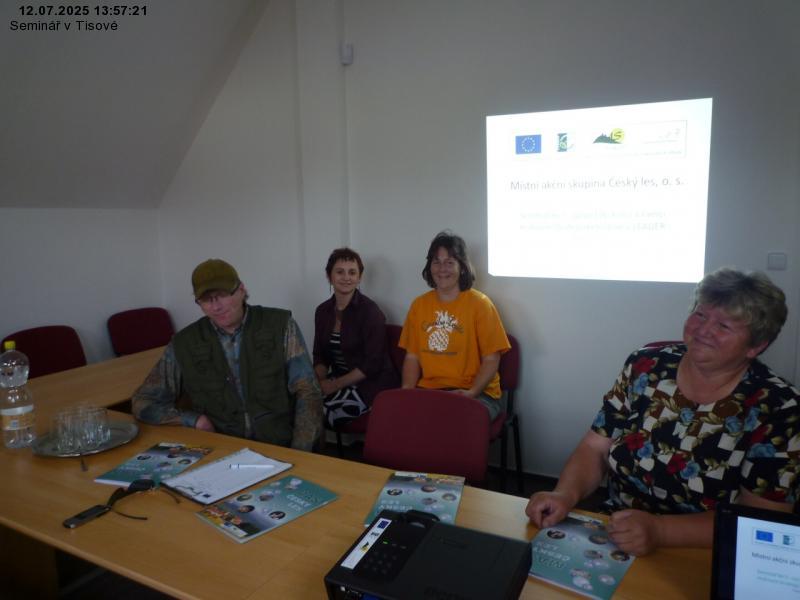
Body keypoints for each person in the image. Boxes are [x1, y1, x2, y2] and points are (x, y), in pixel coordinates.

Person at [526, 268, 800, 556]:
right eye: (700, 314)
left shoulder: (781, 408)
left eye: (723, 326)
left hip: (706, 551)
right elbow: (594, 447)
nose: (703, 330)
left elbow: (759, 520)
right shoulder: (646, 366)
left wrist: (660, 530)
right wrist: (565, 494)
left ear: (756, 346)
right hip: (617, 532)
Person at [131, 259, 323, 451]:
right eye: (206, 299)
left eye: (222, 295)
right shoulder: (185, 343)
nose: (216, 307)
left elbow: (308, 392)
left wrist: (300, 451)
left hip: (279, 445)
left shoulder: (280, 326)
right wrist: (193, 420)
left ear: (241, 290)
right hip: (221, 449)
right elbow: (143, 401)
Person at [399, 231, 510, 419]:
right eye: (436, 262)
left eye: (450, 262)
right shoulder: (419, 305)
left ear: (462, 267)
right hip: (431, 391)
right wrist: (407, 393)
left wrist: (471, 392)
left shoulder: (481, 304)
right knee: (406, 419)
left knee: (453, 422)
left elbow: (492, 359)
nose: (442, 269)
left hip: (478, 394)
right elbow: (412, 357)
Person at [312, 248, 398, 427]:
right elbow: (320, 355)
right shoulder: (322, 311)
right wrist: (317, 382)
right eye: (340, 272)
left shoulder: (370, 312)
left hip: (372, 384)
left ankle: (316, 447)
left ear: (359, 278)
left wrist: (334, 385)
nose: (346, 277)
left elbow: (372, 364)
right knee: (301, 403)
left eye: (352, 272)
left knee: (320, 412)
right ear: (329, 276)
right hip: (340, 379)